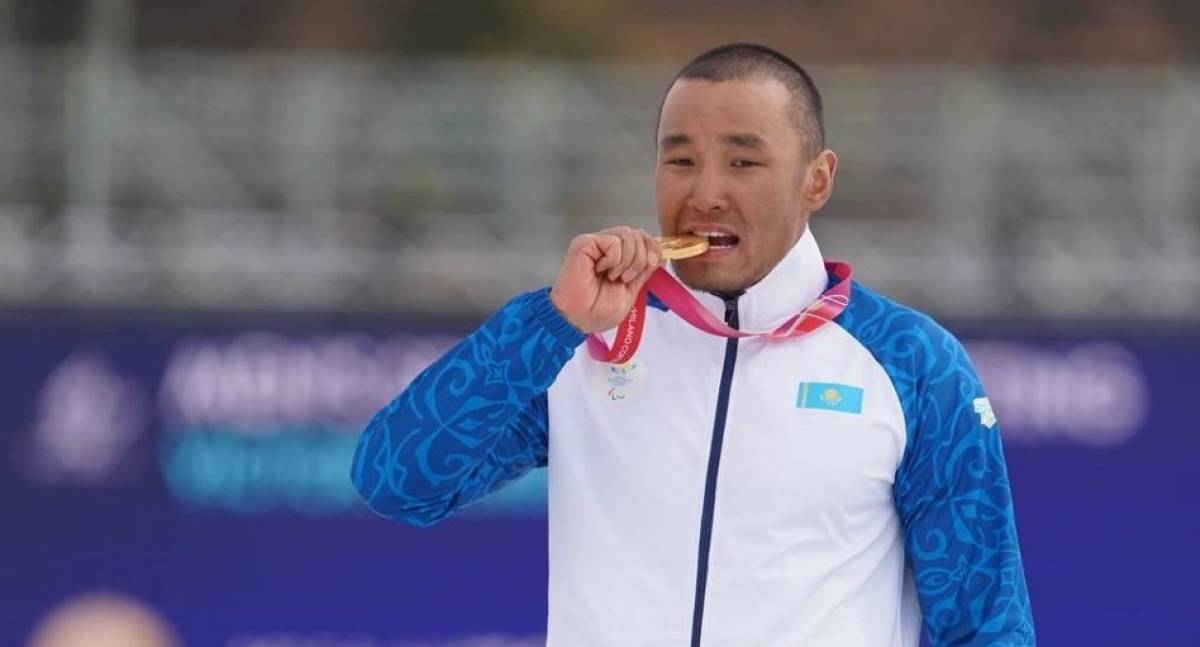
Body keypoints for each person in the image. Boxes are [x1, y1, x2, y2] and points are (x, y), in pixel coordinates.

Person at [351, 43, 1034, 647]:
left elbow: (986, 624)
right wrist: (548, 323)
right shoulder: (579, 339)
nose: (706, 193)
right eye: (680, 160)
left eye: (744, 161)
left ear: (817, 179)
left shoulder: (912, 363)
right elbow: (396, 482)